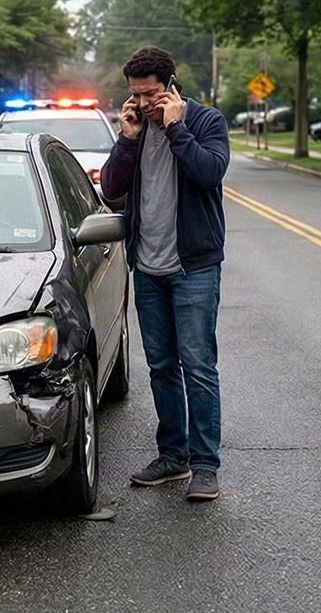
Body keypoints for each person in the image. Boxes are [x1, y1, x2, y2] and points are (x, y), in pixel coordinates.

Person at [99, 47, 231, 502]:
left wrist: (174, 127)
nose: (142, 103)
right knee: (160, 367)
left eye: (151, 95)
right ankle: (172, 456)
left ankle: (205, 465)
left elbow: (209, 173)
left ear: (171, 86)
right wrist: (128, 138)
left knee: (198, 365)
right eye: (135, 95)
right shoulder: (135, 128)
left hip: (193, 266)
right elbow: (112, 190)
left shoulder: (205, 122)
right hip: (148, 268)